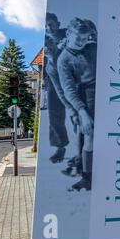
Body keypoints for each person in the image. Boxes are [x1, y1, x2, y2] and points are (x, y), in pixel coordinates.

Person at [58, 18, 97, 191]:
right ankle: (87, 178)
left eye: (85, 38)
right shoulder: (63, 60)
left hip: (105, 92)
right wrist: (82, 113)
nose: (82, 43)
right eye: (78, 39)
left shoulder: (92, 47)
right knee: (89, 136)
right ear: (68, 34)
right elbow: (68, 90)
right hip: (85, 98)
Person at [44, 13, 78, 163]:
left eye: (51, 24)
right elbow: (59, 90)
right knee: (55, 111)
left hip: (73, 75)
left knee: (79, 108)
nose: (48, 27)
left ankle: (83, 146)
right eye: (45, 25)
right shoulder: (45, 42)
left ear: (58, 23)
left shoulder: (67, 33)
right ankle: (60, 146)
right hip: (54, 77)